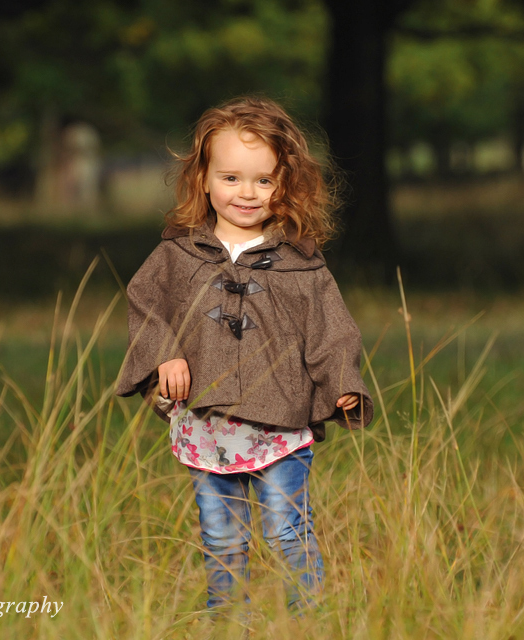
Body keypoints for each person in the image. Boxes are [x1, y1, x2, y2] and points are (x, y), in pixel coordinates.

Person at [116, 95, 373, 614]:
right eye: (230, 178)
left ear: (286, 184)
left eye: (264, 179)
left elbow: (332, 332)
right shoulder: (177, 252)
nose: (247, 193)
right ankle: (227, 620)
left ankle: (307, 621)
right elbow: (145, 304)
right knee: (221, 539)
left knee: (286, 530)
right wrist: (165, 355)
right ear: (203, 180)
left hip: (279, 429)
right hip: (207, 430)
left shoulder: (300, 261)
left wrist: (343, 382)